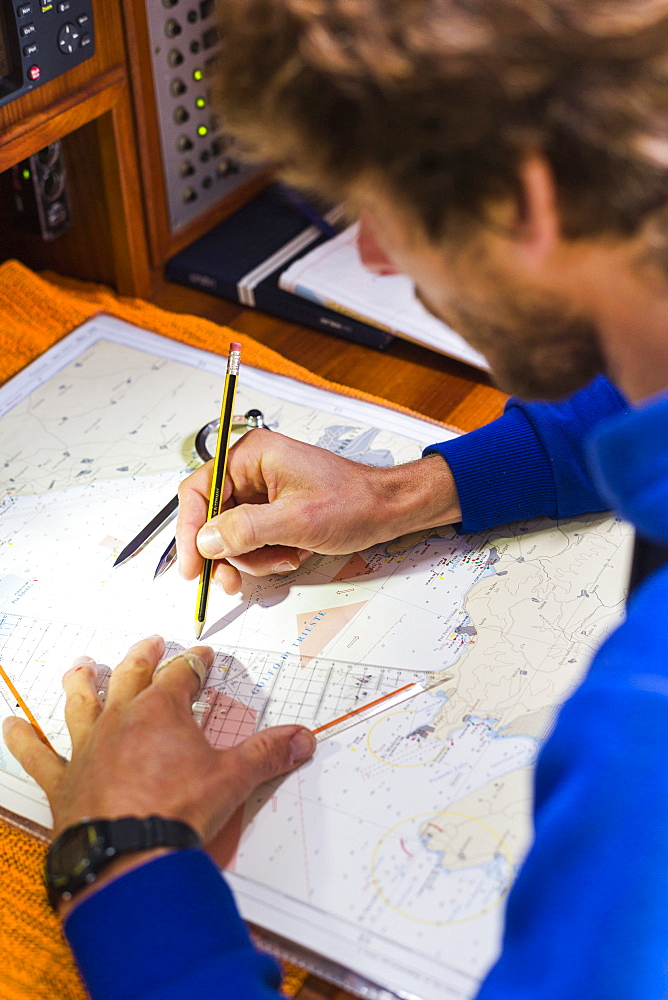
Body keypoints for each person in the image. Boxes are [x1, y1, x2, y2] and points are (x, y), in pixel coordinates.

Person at [4, 1, 668, 997]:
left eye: (381, 208)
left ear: (526, 204)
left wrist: (123, 858)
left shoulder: (639, 748)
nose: (374, 258)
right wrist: (410, 488)